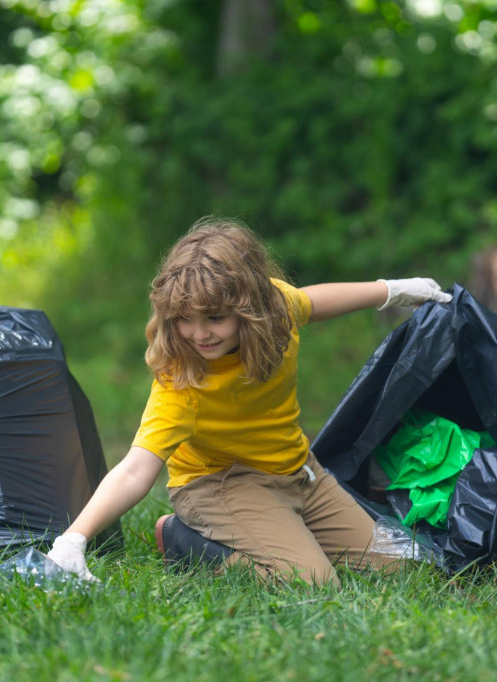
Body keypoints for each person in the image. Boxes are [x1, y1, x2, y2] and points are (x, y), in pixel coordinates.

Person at [47, 217, 451, 586]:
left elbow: (313, 301)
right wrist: (73, 539)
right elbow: (136, 469)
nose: (199, 333)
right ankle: (183, 540)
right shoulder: (183, 382)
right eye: (185, 318)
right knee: (313, 582)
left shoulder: (277, 312)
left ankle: (284, 529)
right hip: (221, 485)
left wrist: (394, 291)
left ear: (251, 309)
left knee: (401, 568)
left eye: (215, 318)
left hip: (298, 472)